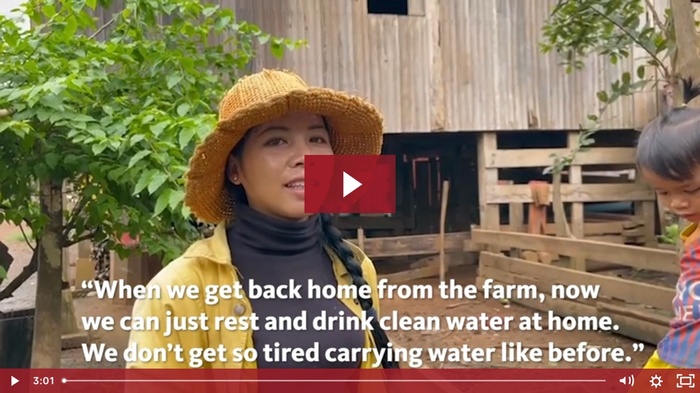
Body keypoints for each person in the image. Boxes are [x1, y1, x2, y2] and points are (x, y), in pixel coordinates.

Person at [126, 69, 398, 370]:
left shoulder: (355, 269)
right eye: (276, 141)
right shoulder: (178, 292)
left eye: (317, 138)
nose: (304, 156)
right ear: (235, 170)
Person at [635, 76, 700, 369]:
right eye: (663, 192)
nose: (677, 203)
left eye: (691, 190)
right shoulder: (694, 231)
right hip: (682, 349)